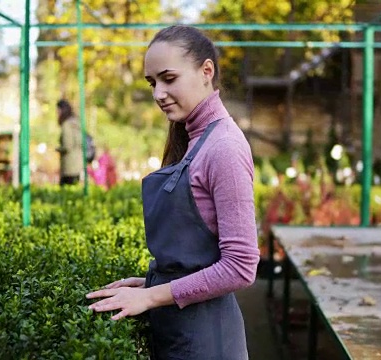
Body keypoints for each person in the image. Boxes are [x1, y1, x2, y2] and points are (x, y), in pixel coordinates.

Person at [86, 25, 259, 359]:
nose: (158, 94)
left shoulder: (223, 147)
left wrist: (152, 297)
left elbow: (241, 266)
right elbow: (197, 255)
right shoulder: (196, 140)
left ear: (206, 71)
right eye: (153, 83)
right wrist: (150, 284)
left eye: (168, 78)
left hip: (208, 341)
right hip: (183, 331)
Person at [55, 99, 83, 186]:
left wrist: (58, 149)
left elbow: (68, 146)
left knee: (65, 190)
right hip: (78, 164)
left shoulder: (66, 125)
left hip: (69, 166)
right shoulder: (77, 123)